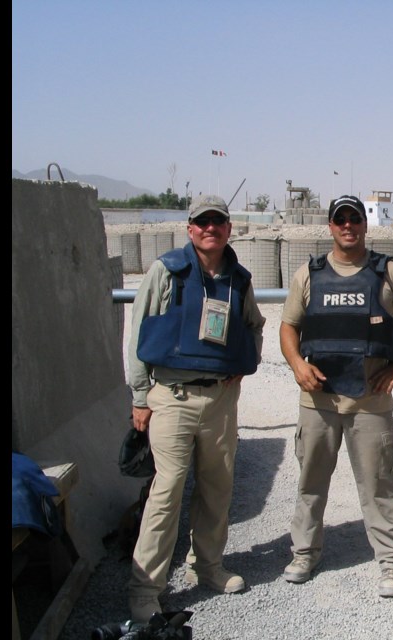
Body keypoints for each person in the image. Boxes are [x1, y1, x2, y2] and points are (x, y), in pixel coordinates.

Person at [279, 194, 393, 597]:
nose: (347, 225)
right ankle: (304, 553)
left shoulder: (388, 272)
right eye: (340, 219)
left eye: (354, 219)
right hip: (319, 399)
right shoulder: (308, 274)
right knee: (310, 480)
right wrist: (297, 364)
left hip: (369, 398)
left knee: (379, 481)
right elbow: (288, 327)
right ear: (331, 226)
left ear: (365, 225)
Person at [126, 194, 265, 623]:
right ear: (190, 229)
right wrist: (139, 396)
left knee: (217, 486)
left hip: (220, 400)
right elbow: (139, 330)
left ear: (228, 229)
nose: (210, 229)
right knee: (166, 492)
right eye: (202, 223)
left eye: (218, 223)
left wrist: (244, 366)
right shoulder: (166, 271)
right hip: (171, 396)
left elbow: (254, 326)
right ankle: (146, 588)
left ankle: (207, 566)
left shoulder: (238, 279)